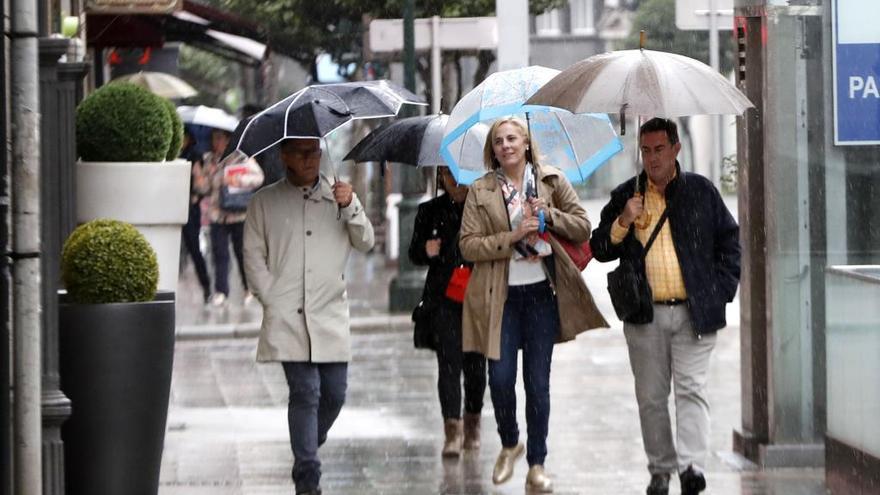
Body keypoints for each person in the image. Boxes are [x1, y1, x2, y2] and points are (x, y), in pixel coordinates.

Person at [590, 118, 741, 495]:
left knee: (691, 390)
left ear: (676, 149)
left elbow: (730, 243)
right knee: (652, 398)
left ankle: (692, 468)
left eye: (659, 149)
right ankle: (661, 469)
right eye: (646, 150)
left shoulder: (701, 192)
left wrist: (718, 291)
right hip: (645, 315)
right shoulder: (628, 194)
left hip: (693, 314)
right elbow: (599, 249)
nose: (652, 158)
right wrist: (624, 220)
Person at [459, 117, 607, 492]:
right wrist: (511, 236)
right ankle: (510, 441)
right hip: (501, 297)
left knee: (537, 384)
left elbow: (582, 226)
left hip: (542, 294)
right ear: (492, 150)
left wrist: (548, 216)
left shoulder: (550, 180)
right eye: (498, 141)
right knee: (501, 379)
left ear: (526, 143)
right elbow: (468, 245)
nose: (505, 145)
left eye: (512, 138)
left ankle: (537, 463)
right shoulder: (481, 190)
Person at [243, 137, 374, 495]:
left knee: (334, 393)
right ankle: (307, 475)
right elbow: (253, 257)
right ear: (284, 156)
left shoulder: (340, 196)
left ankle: (305, 445)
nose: (310, 159)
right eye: (301, 153)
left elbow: (366, 242)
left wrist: (351, 207)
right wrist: (270, 298)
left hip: (330, 312)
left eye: (314, 151)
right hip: (286, 316)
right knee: (305, 392)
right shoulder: (264, 202)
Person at [409, 165, 486, 458]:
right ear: (440, 177)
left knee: (477, 367)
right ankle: (451, 430)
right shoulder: (429, 210)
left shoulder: (482, 207)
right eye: (447, 175)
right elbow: (414, 253)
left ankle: (473, 424)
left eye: (459, 174)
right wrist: (427, 249)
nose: (454, 182)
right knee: (449, 364)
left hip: (478, 295)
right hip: (444, 298)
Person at [195, 129, 264, 307]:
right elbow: (205, 189)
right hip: (218, 214)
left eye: (219, 138)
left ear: (228, 140)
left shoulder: (240, 158)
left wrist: (238, 179)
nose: (216, 143)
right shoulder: (210, 160)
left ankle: (248, 288)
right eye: (213, 139)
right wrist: (201, 178)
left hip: (239, 214)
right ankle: (221, 291)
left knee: (241, 253)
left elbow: (258, 177)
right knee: (219, 254)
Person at [180, 128, 211, 303]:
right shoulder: (178, 154)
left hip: (191, 207)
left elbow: (201, 183)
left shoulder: (194, 155)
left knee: (193, 247)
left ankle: (206, 285)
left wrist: (196, 195)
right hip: (177, 203)